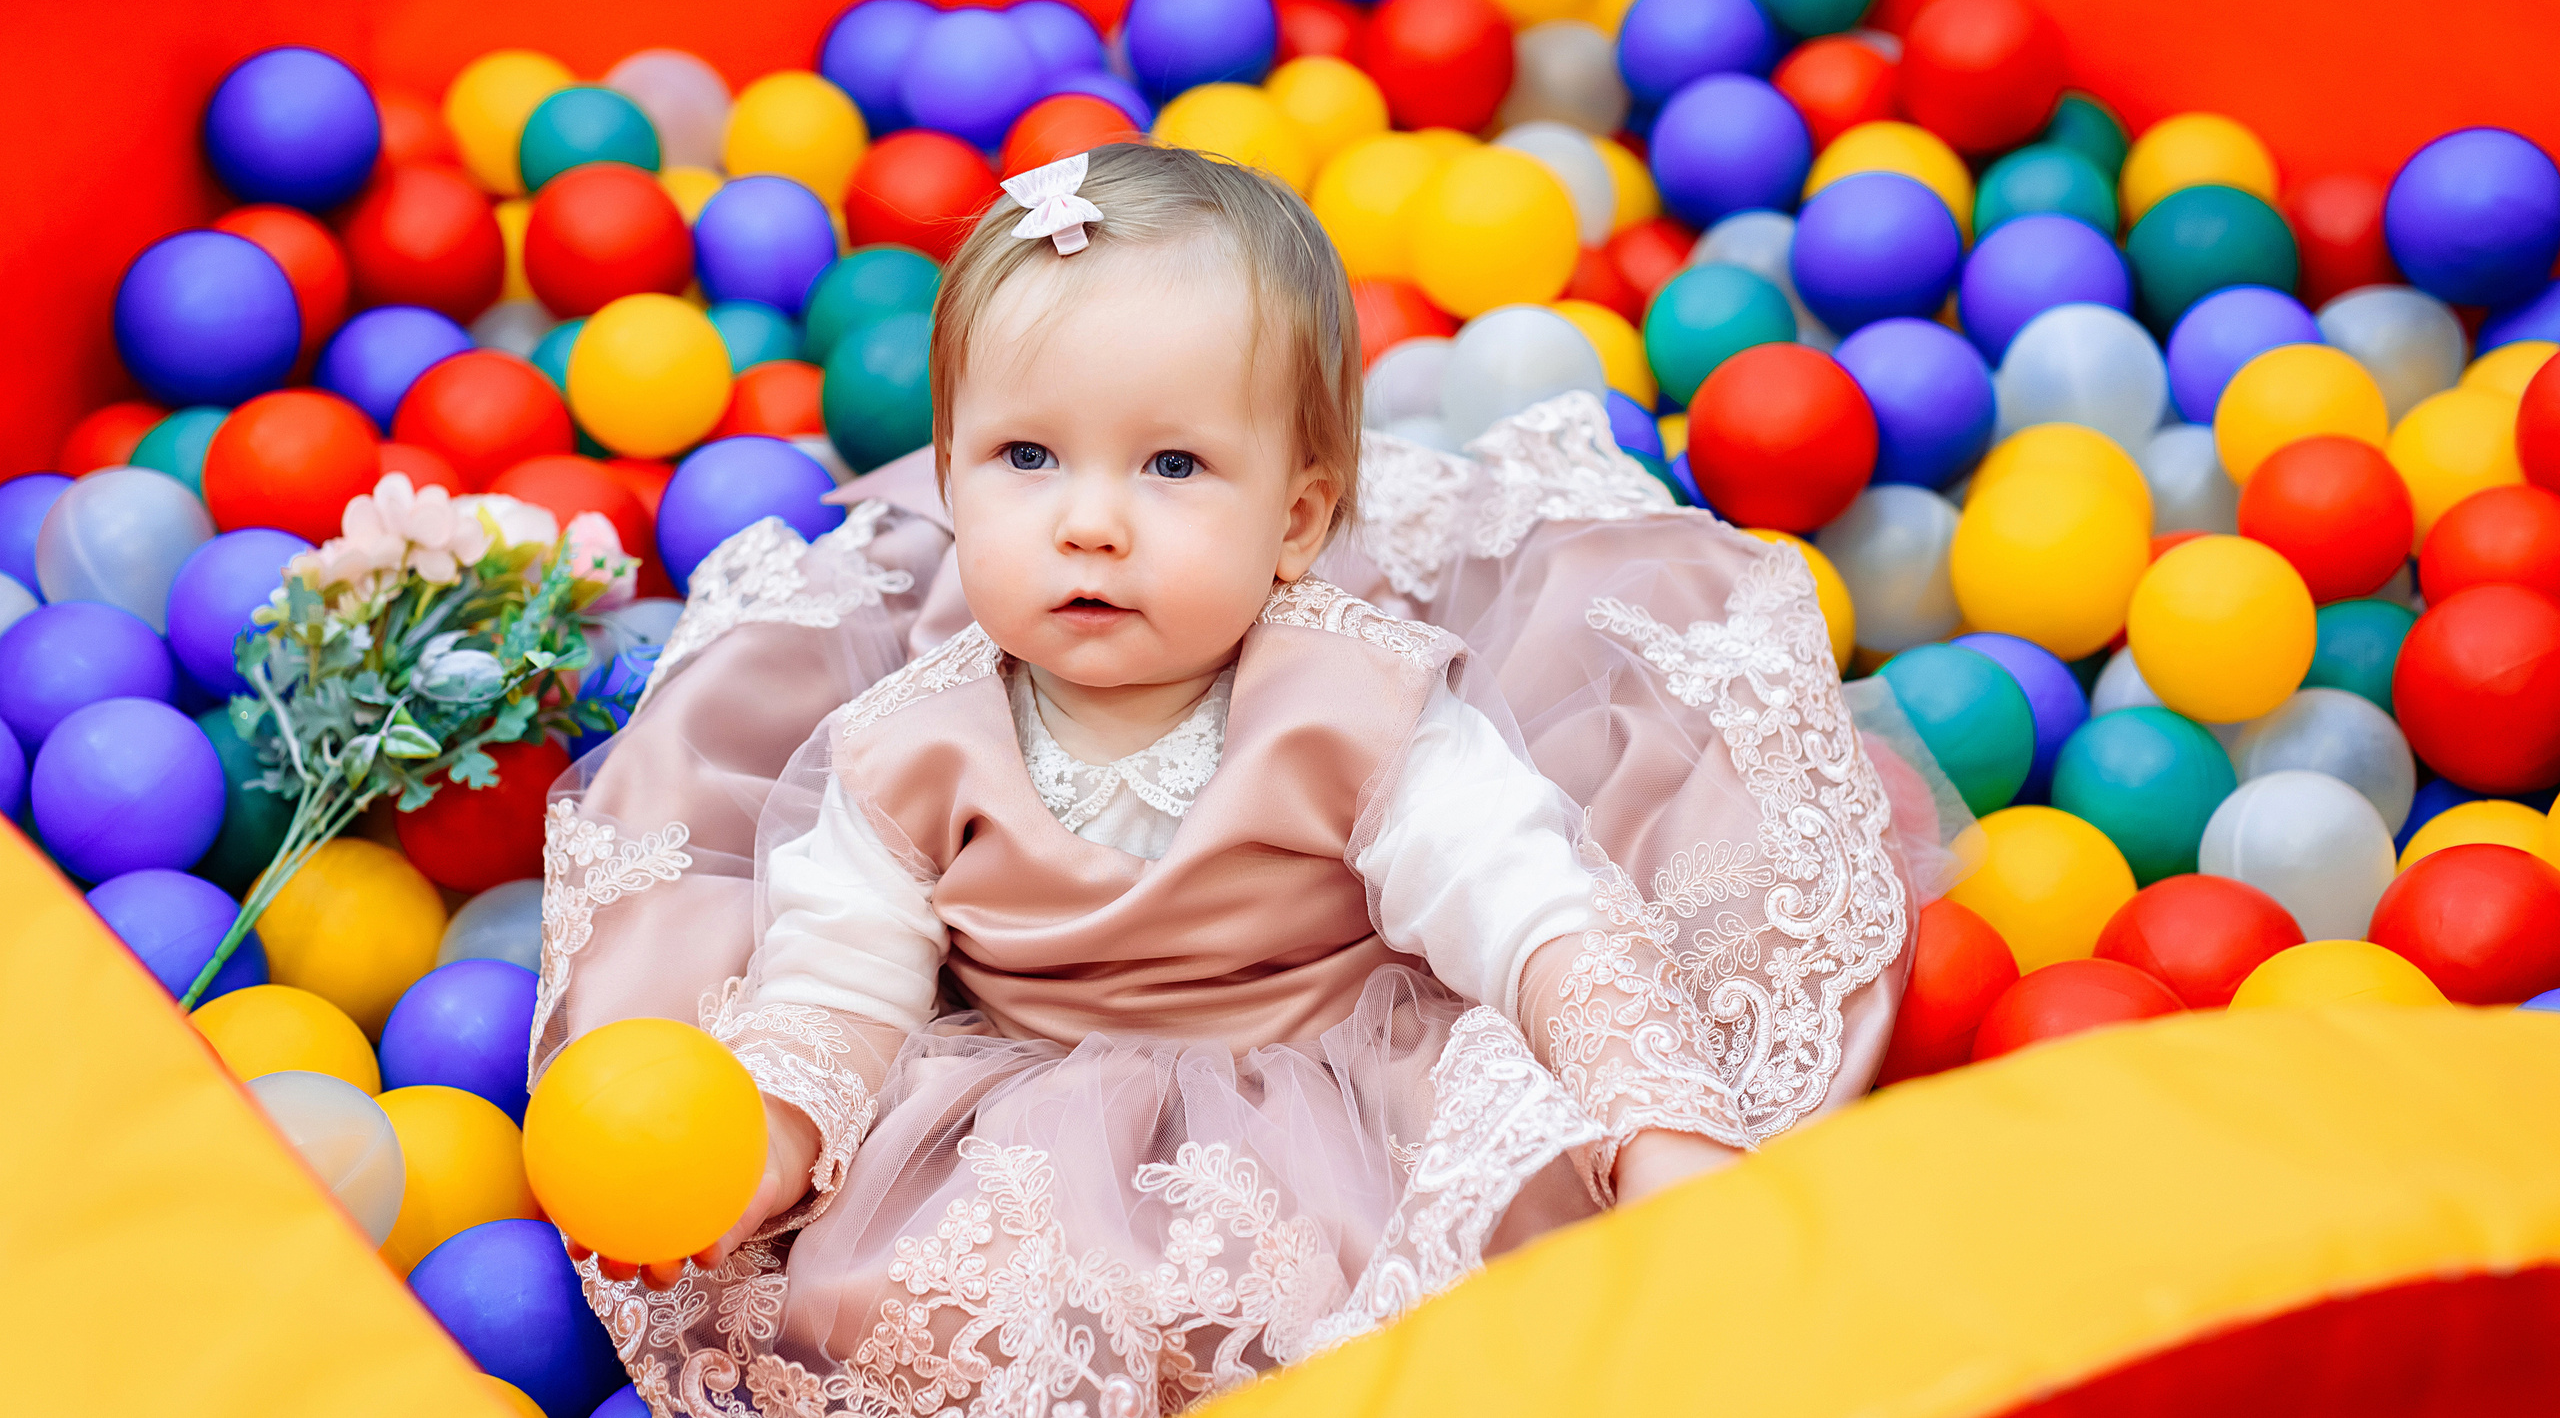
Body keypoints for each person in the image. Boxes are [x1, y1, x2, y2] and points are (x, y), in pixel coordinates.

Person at [537, 143, 1958, 1417]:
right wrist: (758, 1151)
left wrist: (1661, 1123)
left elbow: (1537, 913)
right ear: (954, 481)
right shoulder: (907, 746)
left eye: (1170, 465)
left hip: (1339, 1079)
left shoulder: (1355, 702)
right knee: (953, 1313)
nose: (1090, 522)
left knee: (1491, 1269)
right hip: (1031, 1120)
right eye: (1026, 456)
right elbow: (834, 992)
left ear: (1295, 521)